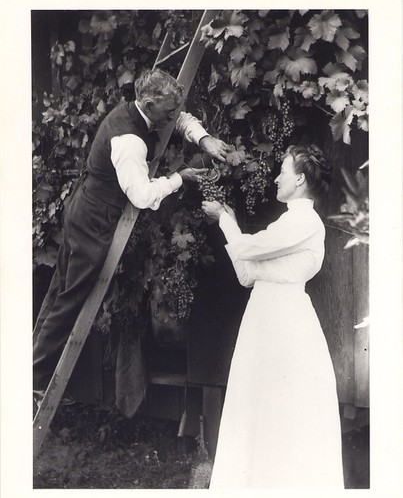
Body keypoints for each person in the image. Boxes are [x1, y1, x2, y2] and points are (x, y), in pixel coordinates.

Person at [33, 68, 230, 405]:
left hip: (85, 208)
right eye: (167, 110)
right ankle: (33, 380)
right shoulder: (130, 142)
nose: (172, 115)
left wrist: (203, 138)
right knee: (71, 298)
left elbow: (180, 118)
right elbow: (141, 197)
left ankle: (27, 372)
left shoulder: (146, 110)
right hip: (92, 219)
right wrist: (179, 178)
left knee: (59, 293)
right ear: (149, 104)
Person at [202, 144, 344, 489]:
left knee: (284, 409)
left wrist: (224, 219)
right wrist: (232, 224)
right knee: (255, 406)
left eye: (283, 170)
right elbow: (247, 274)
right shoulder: (287, 223)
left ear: (299, 178)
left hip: (287, 325)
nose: (277, 177)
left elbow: (246, 248)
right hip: (262, 321)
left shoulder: (305, 221)